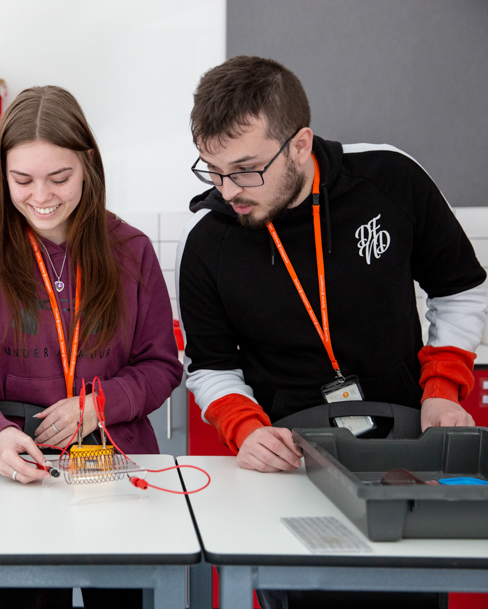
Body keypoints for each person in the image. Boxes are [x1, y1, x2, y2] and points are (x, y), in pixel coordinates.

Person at [177, 55, 486, 609]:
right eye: (212, 170)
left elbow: (459, 289)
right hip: (290, 461)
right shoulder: (207, 245)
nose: (228, 190)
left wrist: (442, 388)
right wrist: (245, 428)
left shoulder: (389, 178)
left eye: (246, 169)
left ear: (299, 143)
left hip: (406, 451)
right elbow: (210, 367)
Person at [0, 85, 182, 609]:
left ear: (88, 165)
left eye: (59, 178)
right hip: (19, 472)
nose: (42, 196)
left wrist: (99, 405)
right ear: (2, 176)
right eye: (23, 180)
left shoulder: (131, 250)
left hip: (114, 464)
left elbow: (160, 366)